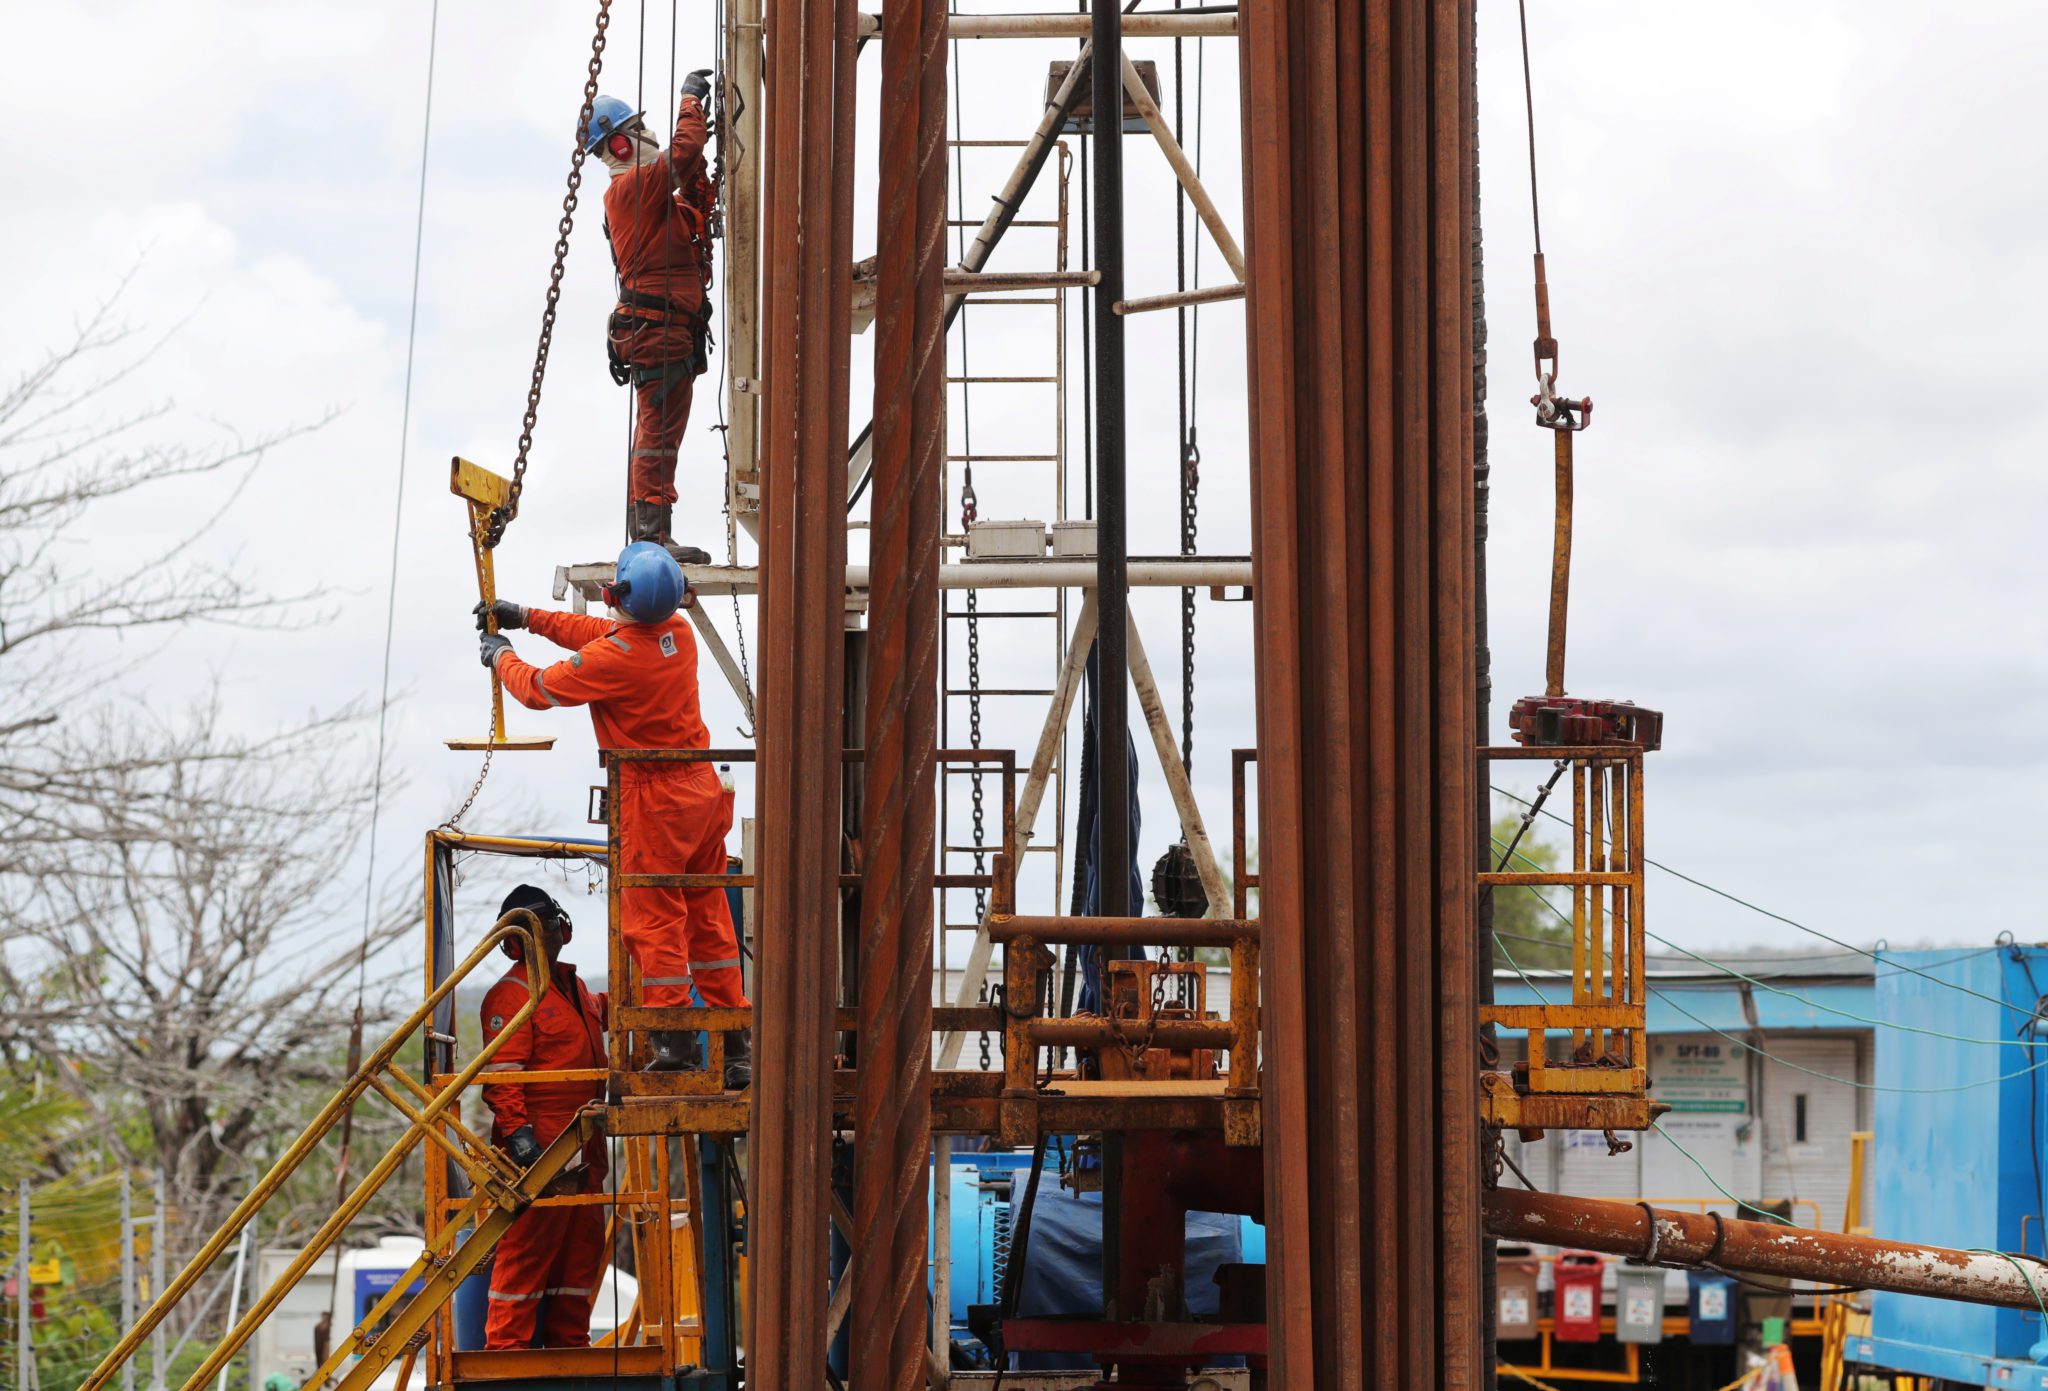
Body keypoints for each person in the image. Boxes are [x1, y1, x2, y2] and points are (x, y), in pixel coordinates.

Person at [477, 541, 751, 1086]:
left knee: (653, 921)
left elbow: (536, 690)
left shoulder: (617, 661)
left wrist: (500, 655)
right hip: (701, 791)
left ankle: (673, 1044)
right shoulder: (679, 634)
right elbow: (601, 637)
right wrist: (527, 618)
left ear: (615, 592)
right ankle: (735, 1043)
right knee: (708, 915)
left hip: (656, 799)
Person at [579, 76, 719, 563]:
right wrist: (690, 102)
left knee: (663, 432)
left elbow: (690, 190)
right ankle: (651, 536)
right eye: (639, 128)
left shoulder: (649, 195)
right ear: (622, 142)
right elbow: (681, 154)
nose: (650, 134)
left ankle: (654, 532)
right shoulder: (633, 188)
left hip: (668, 329)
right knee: (657, 434)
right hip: (657, 331)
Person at [478, 885, 609, 1350]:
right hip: (542, 1147)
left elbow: (593, 1016)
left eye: (550, 924)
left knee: (581, 1253)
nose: (549, 934)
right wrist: (519, 1137)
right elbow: (502, 1077)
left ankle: (569, 1346)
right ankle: (507, 1354)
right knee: (529, 1252)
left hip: (585, 1142)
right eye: (537, 928)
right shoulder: (510, 996)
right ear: (515, 942)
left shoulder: (574, 988)